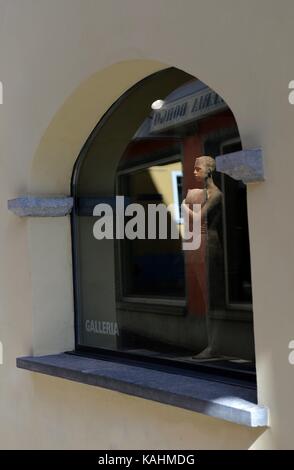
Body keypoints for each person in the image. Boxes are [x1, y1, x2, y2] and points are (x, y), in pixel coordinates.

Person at [183, 155, 224, 358]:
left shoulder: (216, 194)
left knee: (212, 296)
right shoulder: (201, 194)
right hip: (199, 242)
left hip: (209, 243)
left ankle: (214, 345)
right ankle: (212, 343)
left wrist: (183, 207)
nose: (194, 172)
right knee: (205, 293)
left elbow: (200, 217)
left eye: (198, 168)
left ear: (208, 170)